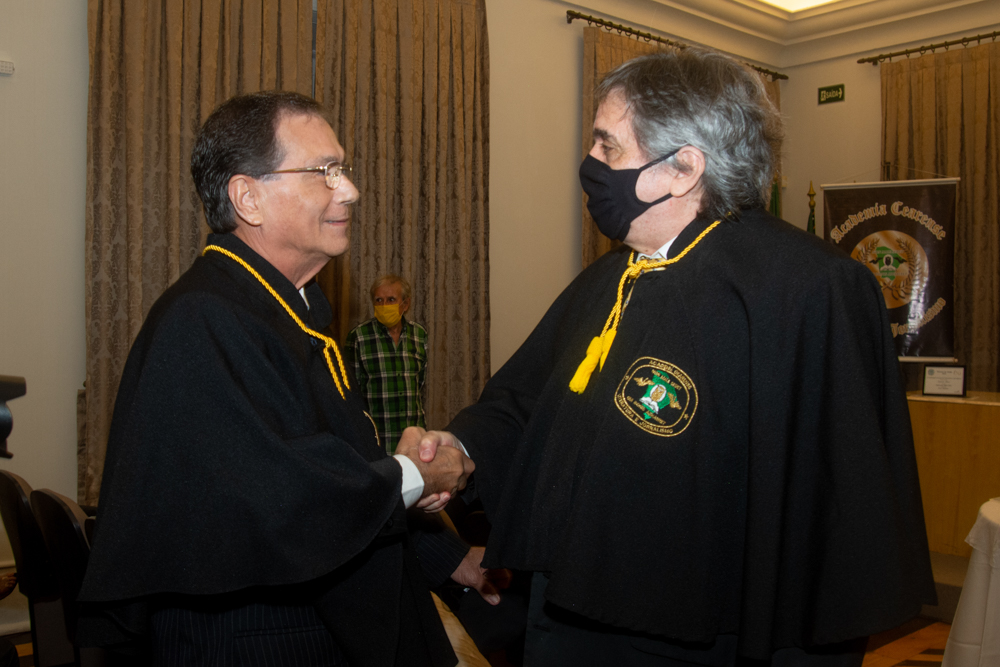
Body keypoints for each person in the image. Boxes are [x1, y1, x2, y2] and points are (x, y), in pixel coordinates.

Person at [413, 47, 936, 666]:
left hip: (694, 636)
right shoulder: (611, 276)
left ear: (684, 168)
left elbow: (831, 511)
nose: (590, 162)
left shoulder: (807, 289)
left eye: (608, 145)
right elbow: (529, 401)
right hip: (567, 614)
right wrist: (461, 449)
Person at [76, 91, 475, 667]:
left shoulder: (276, 308)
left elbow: (320, 460)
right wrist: (413, 473)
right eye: (324, 171)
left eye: (344, 169)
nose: (350, 190)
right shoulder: (205, 318)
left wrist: (442, 545)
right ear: (248, 198)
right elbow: (284, 503)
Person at [347, 275, 427, 454]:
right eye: (379, 300)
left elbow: (420, 382)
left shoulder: (419, 335)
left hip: (414, 439)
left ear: (405, 304)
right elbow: (353, 392)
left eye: (391, 300)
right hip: (377, 440)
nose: (384, 305)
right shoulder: (359, 337)